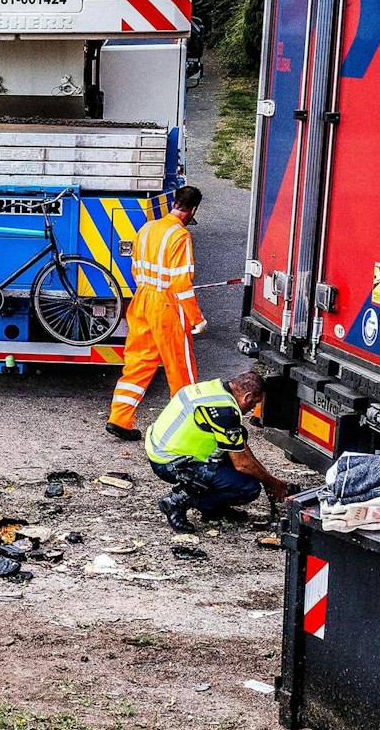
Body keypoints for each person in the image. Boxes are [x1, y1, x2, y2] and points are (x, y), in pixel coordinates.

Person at [107, 184, 205, 440]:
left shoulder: (147, 227)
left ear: (175, 203)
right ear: (192, 210)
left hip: (141, 299)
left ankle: (119, 419)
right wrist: (197, 318)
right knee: (180, 367)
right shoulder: (180, 237)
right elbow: (181, 284)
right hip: (166, 306)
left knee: (138, 363)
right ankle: (187, 428)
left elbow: (135, 266)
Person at [146, 371, 290, 531]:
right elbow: (242, 464)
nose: (252, 409)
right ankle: (177, 501)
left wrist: (268, 479)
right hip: (168, 463)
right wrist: (273, 483)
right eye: (253, 404)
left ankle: (214, 509)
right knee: (248, 488)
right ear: (247, 397)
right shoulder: (225, 413)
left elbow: (241, 448)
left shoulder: (213, 388)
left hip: (161, 448)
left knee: (240, 435)